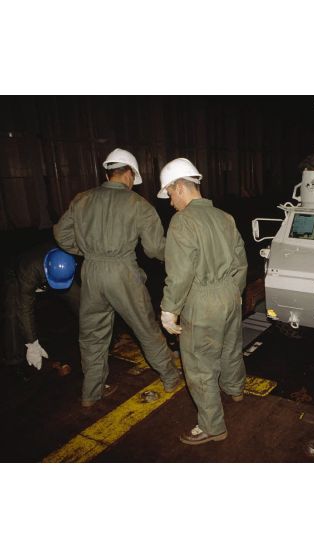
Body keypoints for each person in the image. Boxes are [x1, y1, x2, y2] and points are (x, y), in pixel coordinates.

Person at [53, 148, 181, 408]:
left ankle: (91, 392)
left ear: (108, 173)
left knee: (92, 335)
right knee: (146, 329)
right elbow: (155, 248)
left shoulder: (82, 199)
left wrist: (89, 252)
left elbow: (61, 235)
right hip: (123, 272)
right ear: (130, 175)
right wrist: (181, 255)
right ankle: (170, 377)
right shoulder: (138, 204)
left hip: (91, 272)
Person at [157, 157, 248, 445]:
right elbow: (241, 263)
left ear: (180, 187)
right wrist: (233, 293)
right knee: (230, 346)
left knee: (199, 365)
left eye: (170, 194)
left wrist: (169, 310)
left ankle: (212, 427)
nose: (171, 202)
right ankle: (235, 389)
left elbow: (180, 273)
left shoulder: (182, 222)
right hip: (230, 293)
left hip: (203, 300)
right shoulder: (225, 217)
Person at [1, 244, 79, 380]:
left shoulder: (66, 261)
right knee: (13, 315)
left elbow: (79, 299)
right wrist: (32, 343)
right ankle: (14, 362)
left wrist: (95, 327)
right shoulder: (28, 271)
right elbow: (25, 309)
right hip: (15, 276)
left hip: (52, 272)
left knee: (78, 299)